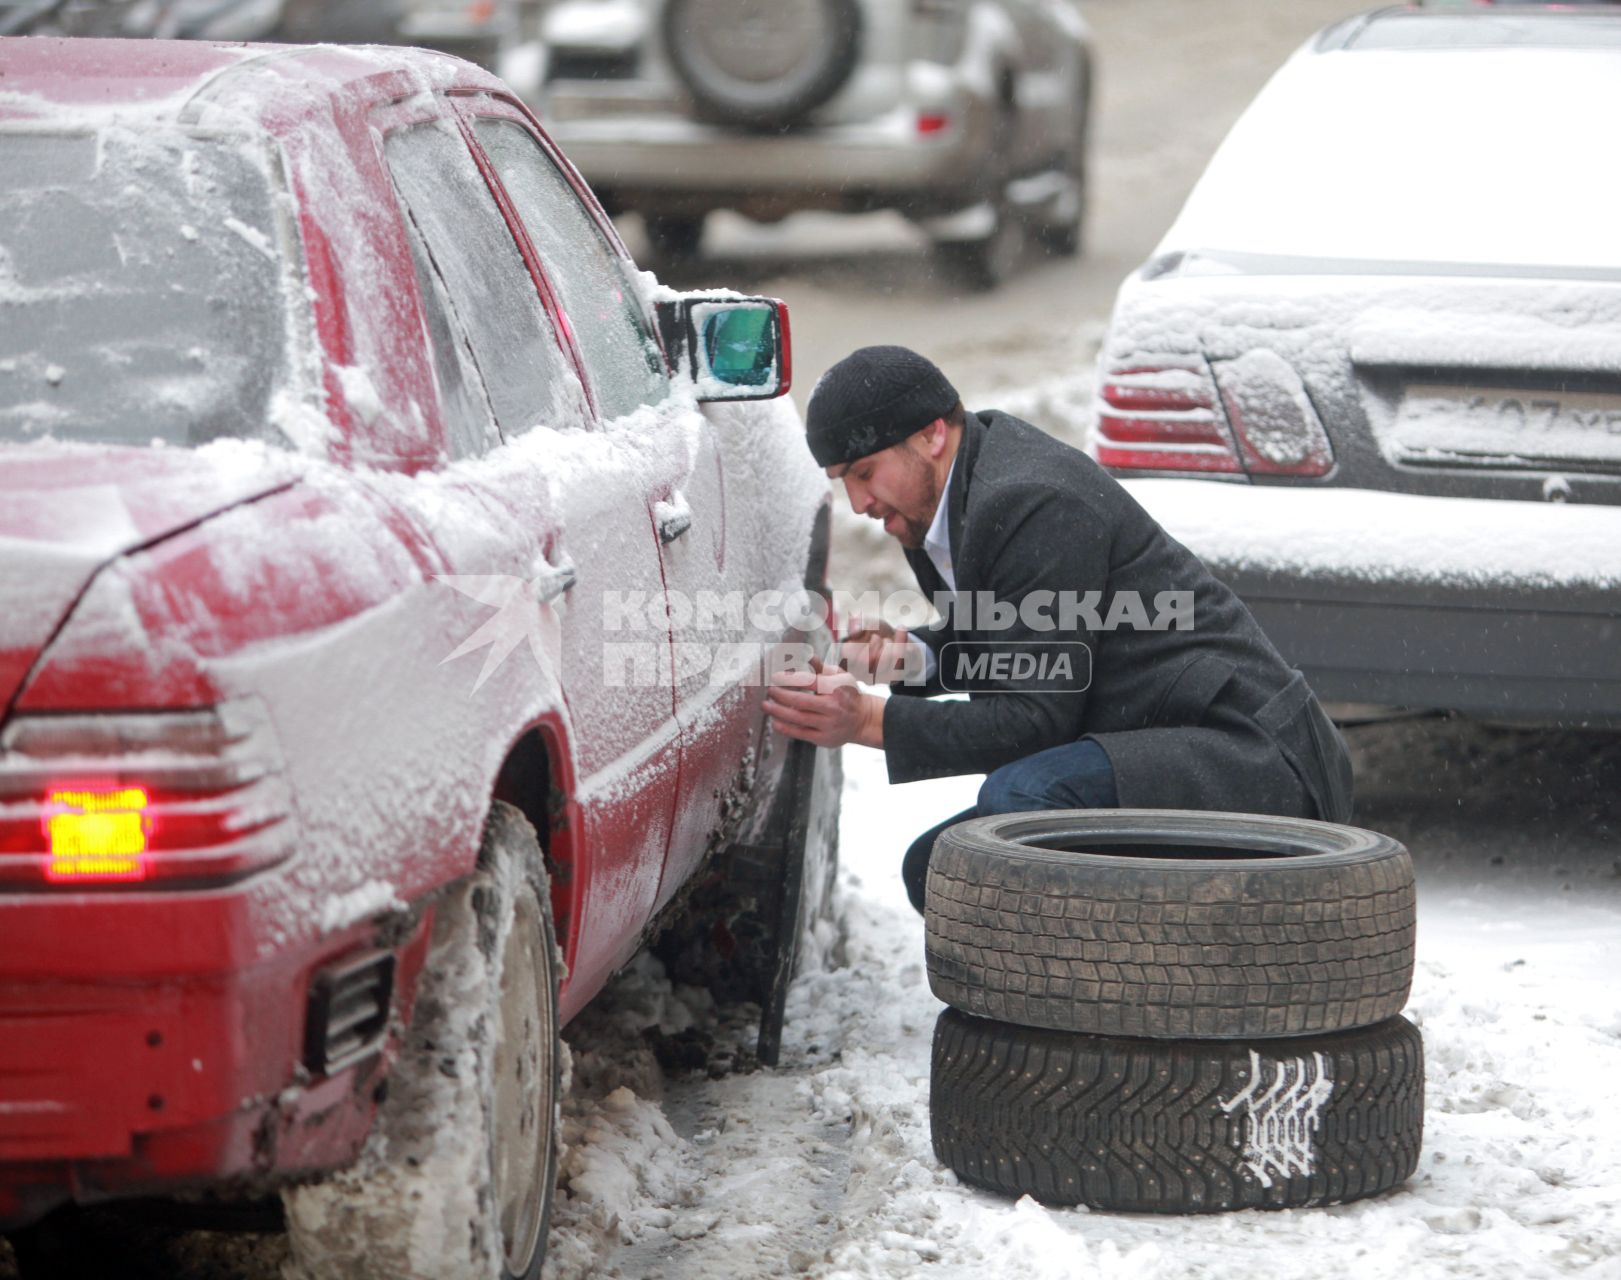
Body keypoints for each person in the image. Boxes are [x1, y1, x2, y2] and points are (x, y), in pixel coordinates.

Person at [763, 345, 1354, 914]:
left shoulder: (1032, 501)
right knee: (943, 872)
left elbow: (1034, 720)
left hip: (1253, 756)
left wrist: (868, 720)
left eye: (865, 472)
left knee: (1019, 807)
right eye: (844, 479)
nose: (859, 501)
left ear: (931, 434)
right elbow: (1023, 644)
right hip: (1160, 739)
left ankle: (1141, 987)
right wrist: (912, 658)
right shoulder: (946, 496)